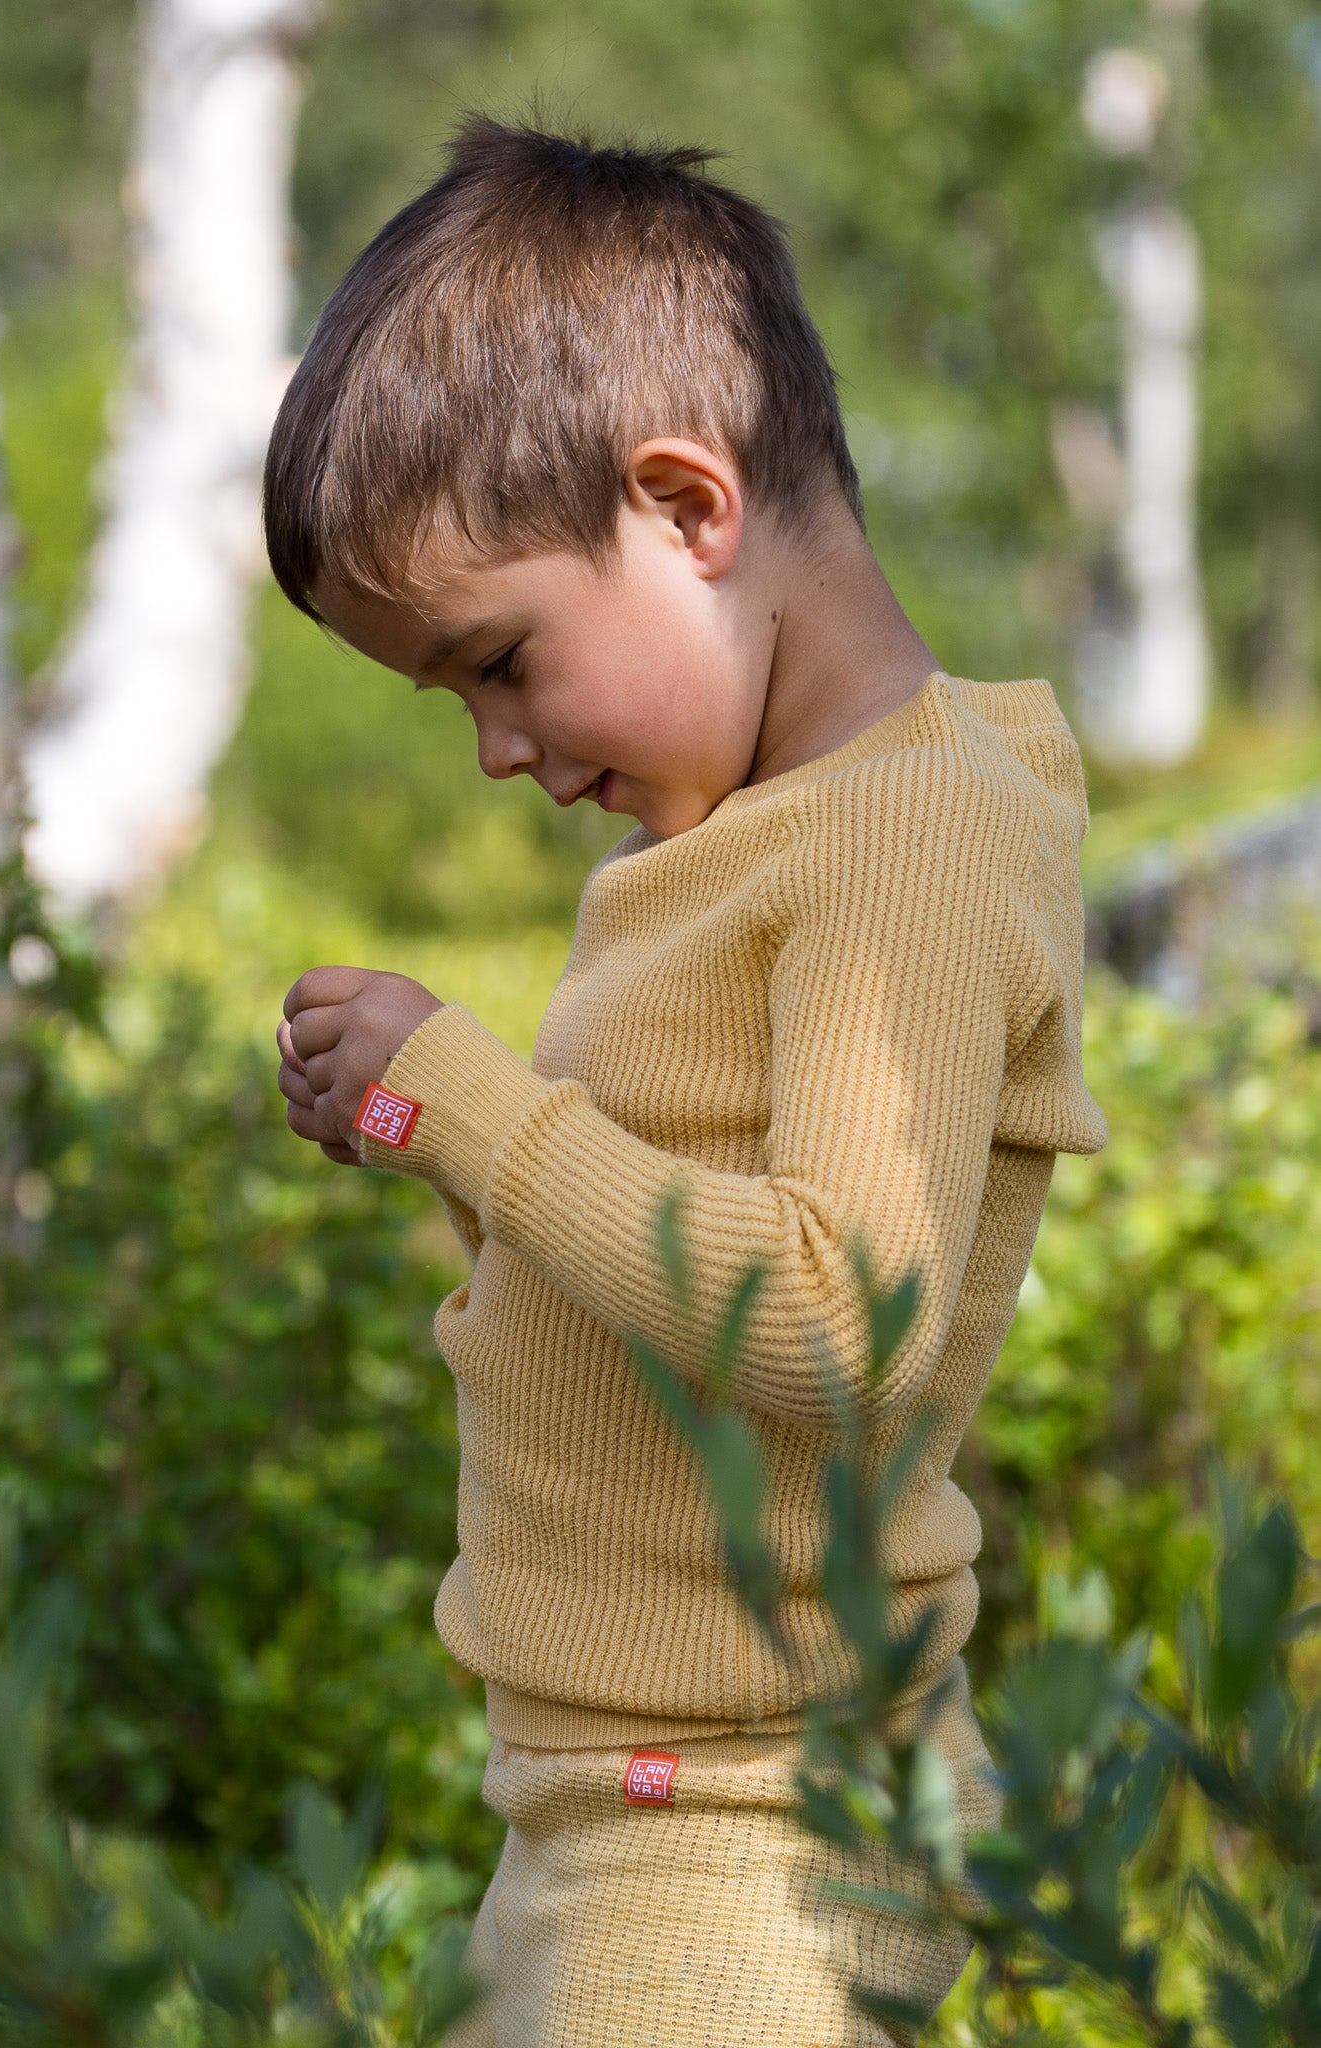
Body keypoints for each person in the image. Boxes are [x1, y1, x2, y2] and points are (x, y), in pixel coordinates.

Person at [265, 117, 1107, 2048]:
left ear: (684, 506)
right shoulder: (754, 841)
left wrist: (475, 1103)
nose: (496, 750)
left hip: (745, 1838)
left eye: (499, 663)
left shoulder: (901, 843)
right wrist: (433, 1144)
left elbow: (837, 1317)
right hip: (622, 1808)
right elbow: (641, 1296)